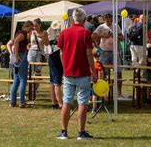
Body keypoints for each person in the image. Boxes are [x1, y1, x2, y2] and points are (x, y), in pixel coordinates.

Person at [57, 8, 97, 140]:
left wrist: (65, 67)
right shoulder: (85, 33)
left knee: (67, 101)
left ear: (72, 19)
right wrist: (94, 71)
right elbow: (89, 54)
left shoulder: (64, 32)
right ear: (84, 19)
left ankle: (64, 131)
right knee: (82, 102)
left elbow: (61, 53)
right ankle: (81, 132)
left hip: (69, 72)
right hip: (83, 72)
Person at [92, 13, 124, 98]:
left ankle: (119, 92)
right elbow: (93, 36)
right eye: (107, 20)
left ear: (112, 19)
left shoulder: (116, 26)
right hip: (104, 52)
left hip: (115, 51)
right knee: (103, 72)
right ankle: (103, 92)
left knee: (118, 72)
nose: (109, 21)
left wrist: (115, 36)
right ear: (104, 19)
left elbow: (122, 37)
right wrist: (103, 36)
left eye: (110, 20)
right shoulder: (101, 27)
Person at [9, 20, 33, 108]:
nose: (31, 30)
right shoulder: (22, 33)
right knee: (23, 79)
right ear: (27, 26)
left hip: (17, 57)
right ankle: (22, 102)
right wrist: (16, 55)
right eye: (30, 28)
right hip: (21, 57)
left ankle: (12, 101)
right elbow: (15, 42)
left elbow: (13, 42)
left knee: (16, 80)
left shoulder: (18, 32)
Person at [46, 20, 63, 109]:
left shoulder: (49, 30)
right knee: (57, 81)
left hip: (52, 55)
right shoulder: (52, 30)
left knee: (53, 81)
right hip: (55, 55)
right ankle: (60, 104)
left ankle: (54, 102)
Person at [27, 18, 48, 91]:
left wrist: (43, 37)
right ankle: (28, 87)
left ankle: (35, 88)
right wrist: (28, 45)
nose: (34, 27)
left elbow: (46, 44)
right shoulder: (31, 32)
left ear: (39, 25)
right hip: (32, 51)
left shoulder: (44, 32)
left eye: (35, 25)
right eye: (33, 25)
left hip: (40, 52)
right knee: (29, 69)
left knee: (38, 71)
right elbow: (29, 42)